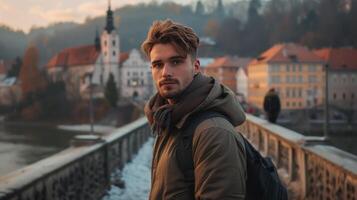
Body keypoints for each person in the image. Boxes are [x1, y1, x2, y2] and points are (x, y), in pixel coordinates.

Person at [142, 19, 247, 200]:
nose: (165, 72)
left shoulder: (213, 132)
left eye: (176, 62)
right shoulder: (169, 119)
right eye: (158, 64)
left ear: (196, 67)